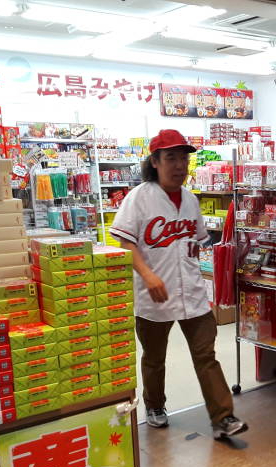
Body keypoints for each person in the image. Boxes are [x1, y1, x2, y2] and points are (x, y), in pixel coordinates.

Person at [110, 129, 248, 440]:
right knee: (154, 358)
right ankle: (155, 405)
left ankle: (223, 418)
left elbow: (197, 242)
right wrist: (148, 274)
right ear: (155, 162)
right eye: (170, 157)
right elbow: (121, 240)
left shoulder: (190, 200)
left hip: (192, 293)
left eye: (184, 157)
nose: (179, 165)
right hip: (152, 294)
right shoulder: (139, 198)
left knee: (206, 355)